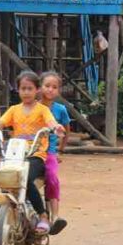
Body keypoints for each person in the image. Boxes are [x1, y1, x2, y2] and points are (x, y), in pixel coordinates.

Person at [0, 71, 62, 235]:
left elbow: (51, 121)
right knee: (1, 179)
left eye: (30, 88)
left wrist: (55, 127)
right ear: (18, 90)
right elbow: (0, 123)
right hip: (16, 155)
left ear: (37, 90)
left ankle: (43, 216)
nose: (26, 92)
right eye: (23, 88)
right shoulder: (14, 110)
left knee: (26, 179)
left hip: (36, 156)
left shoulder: (43, 110)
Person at [40, 71, 72, 235]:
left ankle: (55, 215)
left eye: (54, 87)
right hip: (31, 151)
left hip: (49, 152)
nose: (50, 90)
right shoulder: (33, 106)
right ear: (40, 87)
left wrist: (60, 150)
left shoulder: (60, 110)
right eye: (47, 86)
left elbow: (66, 131)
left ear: (58, 90)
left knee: (52, 177)